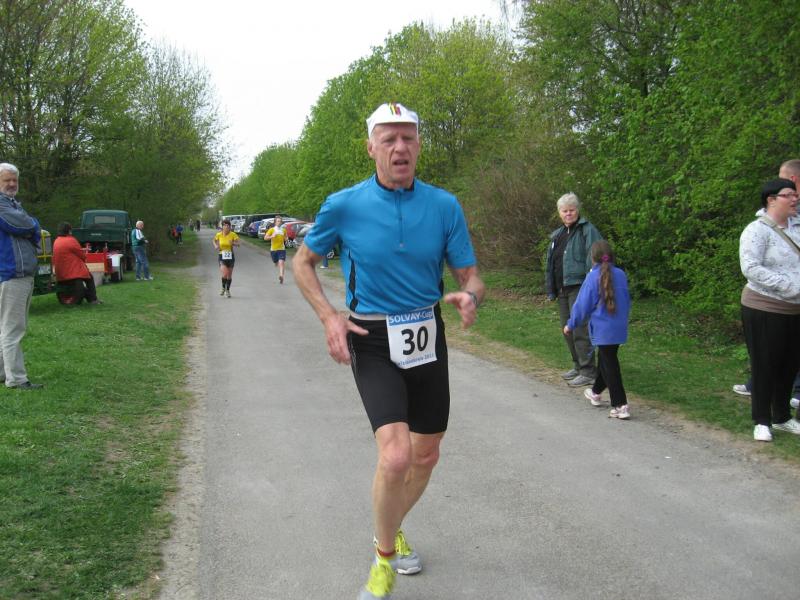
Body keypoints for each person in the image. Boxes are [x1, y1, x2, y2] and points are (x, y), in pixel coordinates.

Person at [293, 102, 485, 600]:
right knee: (396, 456)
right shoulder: (345, 205)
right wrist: (329, 316)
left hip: (426, 332)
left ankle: (391, 526)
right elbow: (303, 262)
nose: (400, 147)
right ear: (371, 147)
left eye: (409, 138)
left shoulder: (444, 205)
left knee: (427, 453)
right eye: (389, 139)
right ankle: (383, 561)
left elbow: (470, 274)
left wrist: (471, 294)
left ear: (419, 145)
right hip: (372, 337)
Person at [740, 178, 800, 442]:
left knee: (790, 364)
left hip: (794, 310)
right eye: (789, 195)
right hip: (764, 307)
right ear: (771, 200)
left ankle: (782, 417)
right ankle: (762, 421)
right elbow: (751, 268)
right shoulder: (756, 230)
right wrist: (789, 286)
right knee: (766, 364)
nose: (795, 198)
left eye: (795, 194)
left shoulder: (797, 228)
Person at [565, 240, 632, 419]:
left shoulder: (592, 277)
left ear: (592, 258)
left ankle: (620, 405)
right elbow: (627, 300)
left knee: (610, 365)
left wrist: (571, 324)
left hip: (603, 329)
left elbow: (582, 305)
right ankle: (595, 392)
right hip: (619, 327)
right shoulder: (621, 274)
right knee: (606, 359)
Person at [545, 192, 603, 387]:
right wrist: (551, 288)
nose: (568, 213)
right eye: (564, 211)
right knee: (567, 329)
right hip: (562, 288)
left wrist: (591, 285)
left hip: (580, 286)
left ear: (577, 210)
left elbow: (597, 257)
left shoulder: (587, 230)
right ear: (559, 213)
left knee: (580, 329)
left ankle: (589, 371)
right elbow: (551, 263)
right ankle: (578, 365)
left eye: (571, 210)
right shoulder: (558, 234)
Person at [0, 163, 43, 389]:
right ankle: (16, 379)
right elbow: (25, 225)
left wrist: (31, 226)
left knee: (6, 326)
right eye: (7, 180)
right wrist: (32, 225)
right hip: (12, 273)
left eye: (14, 180)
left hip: (17, 273)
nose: (12, 184)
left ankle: (2, 372)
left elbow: (29, 227)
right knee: (13, 328)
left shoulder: (13, 204)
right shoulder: (2, 205)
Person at [52, 222, 101, 305]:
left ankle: (90, 299)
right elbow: (82, 255)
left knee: (82, 281)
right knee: (89, 278)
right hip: (73, 271)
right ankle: (93, 299)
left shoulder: (56, 241)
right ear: (69, 231)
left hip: (61, 272)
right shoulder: (71, 240)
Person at [214, 219, 239, 297]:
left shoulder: (233, 234)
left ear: (230, 227)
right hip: (222, 255)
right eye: (225, 225)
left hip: (230, 256)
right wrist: (216, 245)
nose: (226, 227)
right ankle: (223, 288)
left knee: (229, 275)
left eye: (228, 225)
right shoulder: (219, 234)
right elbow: (214, 240)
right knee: (225, 273)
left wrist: (233, 243)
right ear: (222, 226)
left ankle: (227, 290)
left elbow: (238, 244)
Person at [264, 215, 287, 284]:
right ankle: (276, 262)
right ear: (275, 222)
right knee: (276, 262)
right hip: (273, 250)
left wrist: (286, 239)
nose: (279, 222)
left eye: (280, 221)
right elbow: (265, 238)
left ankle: (281, 276)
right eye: (278, 221)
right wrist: (272, 236)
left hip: (282, 249)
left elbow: (286, 237)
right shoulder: (272, 230)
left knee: (281, 262)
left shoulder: (283, 230)